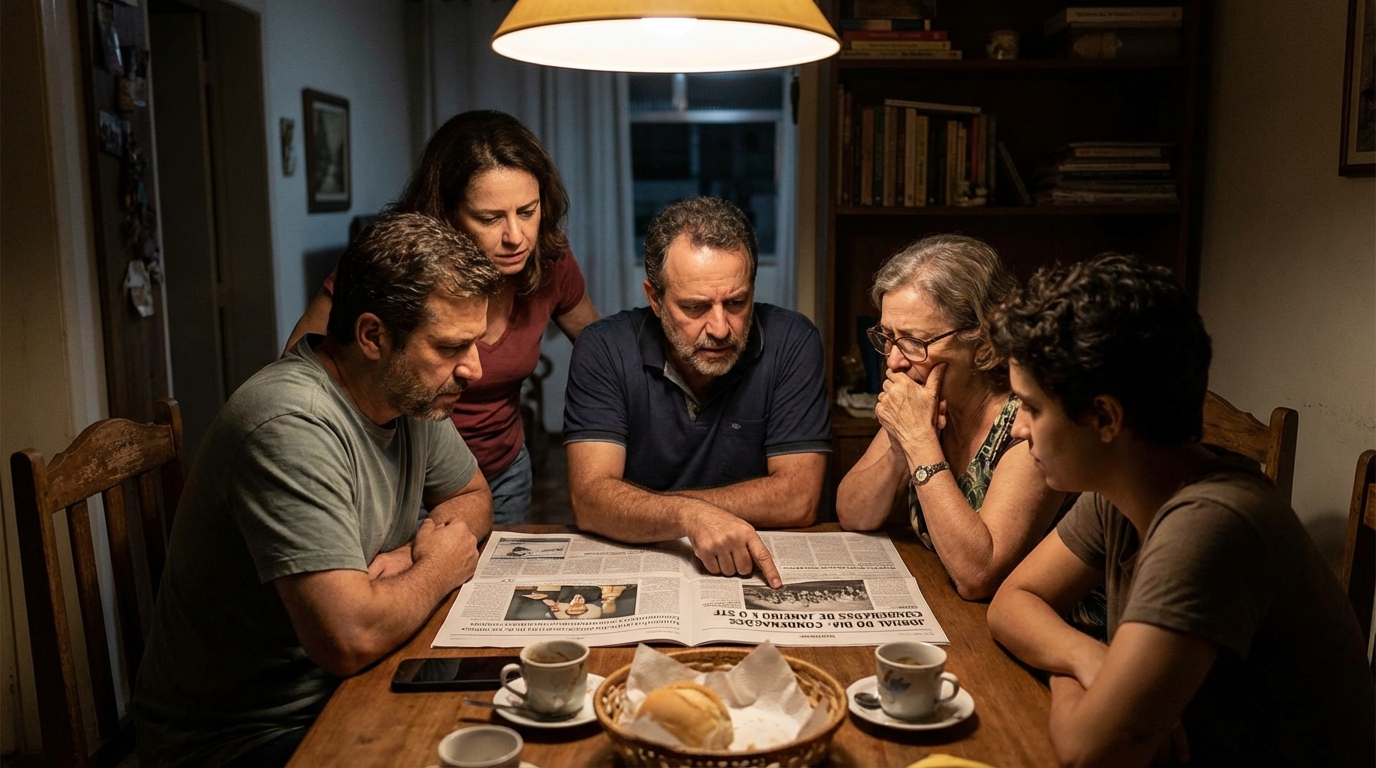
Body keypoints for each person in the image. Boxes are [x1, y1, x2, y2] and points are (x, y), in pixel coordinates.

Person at [134, 212, 503, 768]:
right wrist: (440, 565)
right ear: (373, 336)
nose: (473, 369)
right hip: (244, 735)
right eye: (451, 346)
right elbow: (348, 637)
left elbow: (473, 496)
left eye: (473, 343)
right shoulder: (289, 423)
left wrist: (410, 554)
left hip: (349, 687)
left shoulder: (409, 392)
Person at [986, 253, 1375, 767]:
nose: (1018, 428)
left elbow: (1091, 752)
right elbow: (1011, 603)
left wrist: (1068, 681)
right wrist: (1088, 658)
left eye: (1032, 408)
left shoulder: (1212, 523)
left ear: (1105, 417)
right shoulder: (1124, 489)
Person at [287, 110, 600, 525]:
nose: (515, 236)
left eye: (527, 211)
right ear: (446, 213)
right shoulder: (392, 266)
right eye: (490, 218)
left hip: (502, 472)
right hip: (404, 480)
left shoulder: (548, 260)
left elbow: (602, 347)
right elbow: (301, 370)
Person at [563, 197, 831, 589]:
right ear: (654, 298)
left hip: (755, 569)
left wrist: (656, 509)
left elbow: (798, 498)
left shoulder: (792, 340)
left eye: (737, 302)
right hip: (646, 566)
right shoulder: (604, 348)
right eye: (695, 307)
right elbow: (591, 500)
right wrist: (688, 516)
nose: (721, 328)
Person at [835, 235, 1067, 601]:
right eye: (888, 337)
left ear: (985, 341)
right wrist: (900, 445)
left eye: (914, 341)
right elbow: (854, 514)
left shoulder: (1029, 422)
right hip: (949, 610)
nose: (893, 360)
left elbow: (978, 576)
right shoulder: (923, 398)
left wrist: (919, 443)